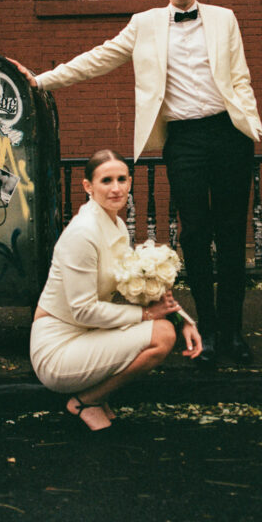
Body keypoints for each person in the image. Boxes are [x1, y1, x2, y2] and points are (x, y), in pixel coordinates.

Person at [14, 0, 262, 368]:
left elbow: (240, 76)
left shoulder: (225, 18)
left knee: (232, 234)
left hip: (228, 135)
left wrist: (250, 123)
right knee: (196, 235)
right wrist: (42, 80)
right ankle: (211, 331)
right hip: (183, 139)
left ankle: (235, 333)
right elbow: (100, 57)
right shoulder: (144, 24)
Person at [30, 149, 203, 431]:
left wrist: (181, 318)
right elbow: (83, 310)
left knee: (165, 327)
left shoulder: (116, 223)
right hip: (58, 348)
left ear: (130, 183)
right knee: (161, 335)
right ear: (88, 186)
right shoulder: (83, 234)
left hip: (88, 333)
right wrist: (147, 315)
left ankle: (94, 398)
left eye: (122, 179)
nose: (116, 188)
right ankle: (87, 401)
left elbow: (138, 282)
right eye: (106, 180)